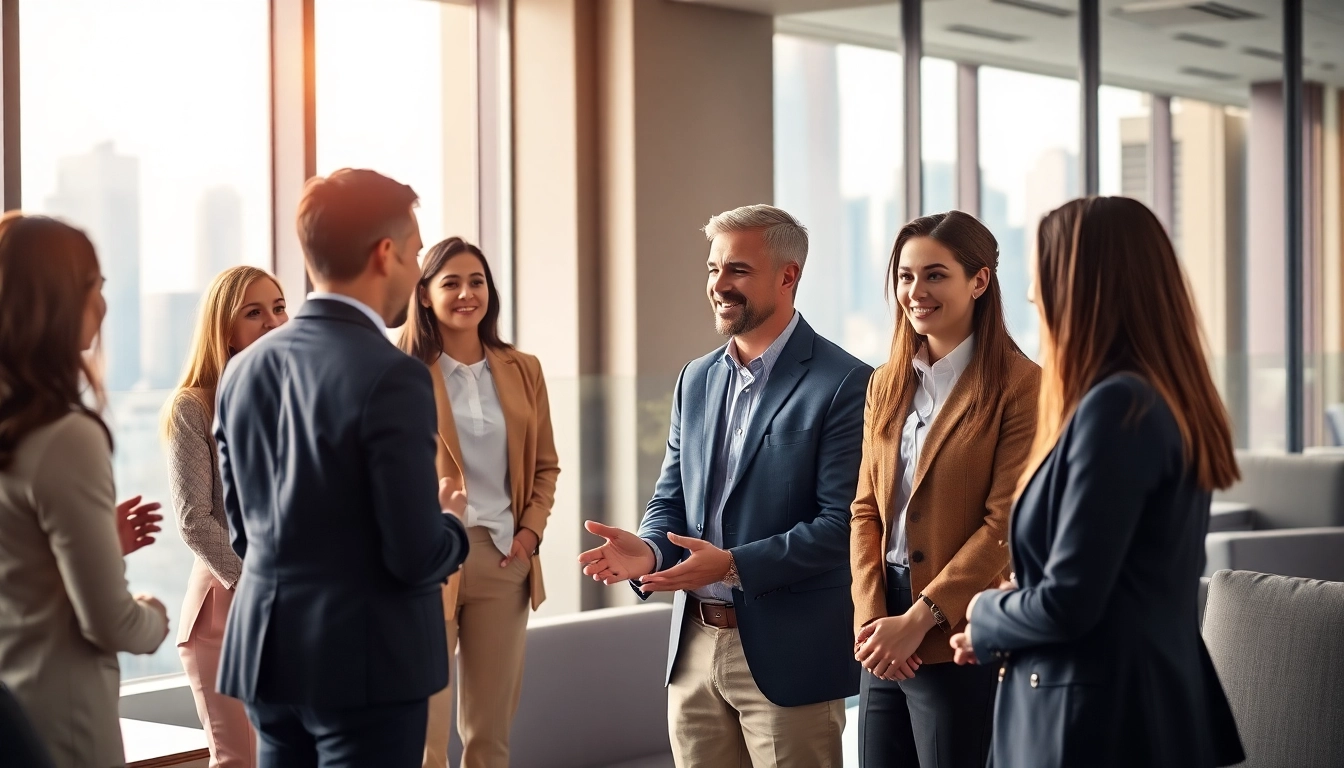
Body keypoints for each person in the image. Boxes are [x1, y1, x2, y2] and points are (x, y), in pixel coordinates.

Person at [950, 196, 1244, 768]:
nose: (1031, 295)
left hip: (1096, 721)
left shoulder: (1117, 408)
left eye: (1041, 277)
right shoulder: (1151, 398)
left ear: (1081, 288)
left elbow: (1070, 602)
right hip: (1128, 706)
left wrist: (987, 612)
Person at [579, 205, 872, 767]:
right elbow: (671, 498)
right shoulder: (697, 378)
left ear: (788, 275)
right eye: (713, 268)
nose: (718, 284)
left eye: (737, 269)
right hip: (691, 649)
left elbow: (844, 527)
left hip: (789, 658)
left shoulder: (845, 383)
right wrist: (649, 551)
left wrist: (734, 565)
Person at [213, 169, 472, 768]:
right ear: (385, 254)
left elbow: (244, 533)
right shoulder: (392, 374)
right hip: (367, 664)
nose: (416, 271)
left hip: (267, 652)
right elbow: (414, 555)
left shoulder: (242, 370)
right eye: (414, 253)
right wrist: (451, 525)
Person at [850, 211, 1039, 768]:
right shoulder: (886, 382)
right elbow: (865, 510)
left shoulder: (1021, 386)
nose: (916, 292)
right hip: (882, 631)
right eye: (905, 276)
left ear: (979, 281)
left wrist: (920, 619)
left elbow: (1004, 524)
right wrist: (872, 618)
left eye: (935, 275)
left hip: (957, 630)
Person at [0, 215, 170, 768]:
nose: (102, 302)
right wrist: (155, 616)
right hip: (63, 725)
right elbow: (111, 622)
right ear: (57, 300)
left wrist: (99, 543)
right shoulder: (66, 435)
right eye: (94, 284)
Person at [398, 237, 560, 768]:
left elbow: (545, 466)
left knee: (490, 737)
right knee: (423, 737)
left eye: (477, 281)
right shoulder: (401, 372)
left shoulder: (523, 368)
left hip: (503, 559)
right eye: (451, 283)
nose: (467, 293)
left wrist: (529, 534)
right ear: (424, 295)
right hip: (427, 563)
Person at [163, 266, 289, 768]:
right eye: (254, 312)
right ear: (225, 328)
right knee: (239, 759)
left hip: (293, 601)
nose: (272, 321)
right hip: (226, 605)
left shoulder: (296, 398)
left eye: (278, 307)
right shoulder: (192, 406)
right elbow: (194, 520)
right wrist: (260, 583)